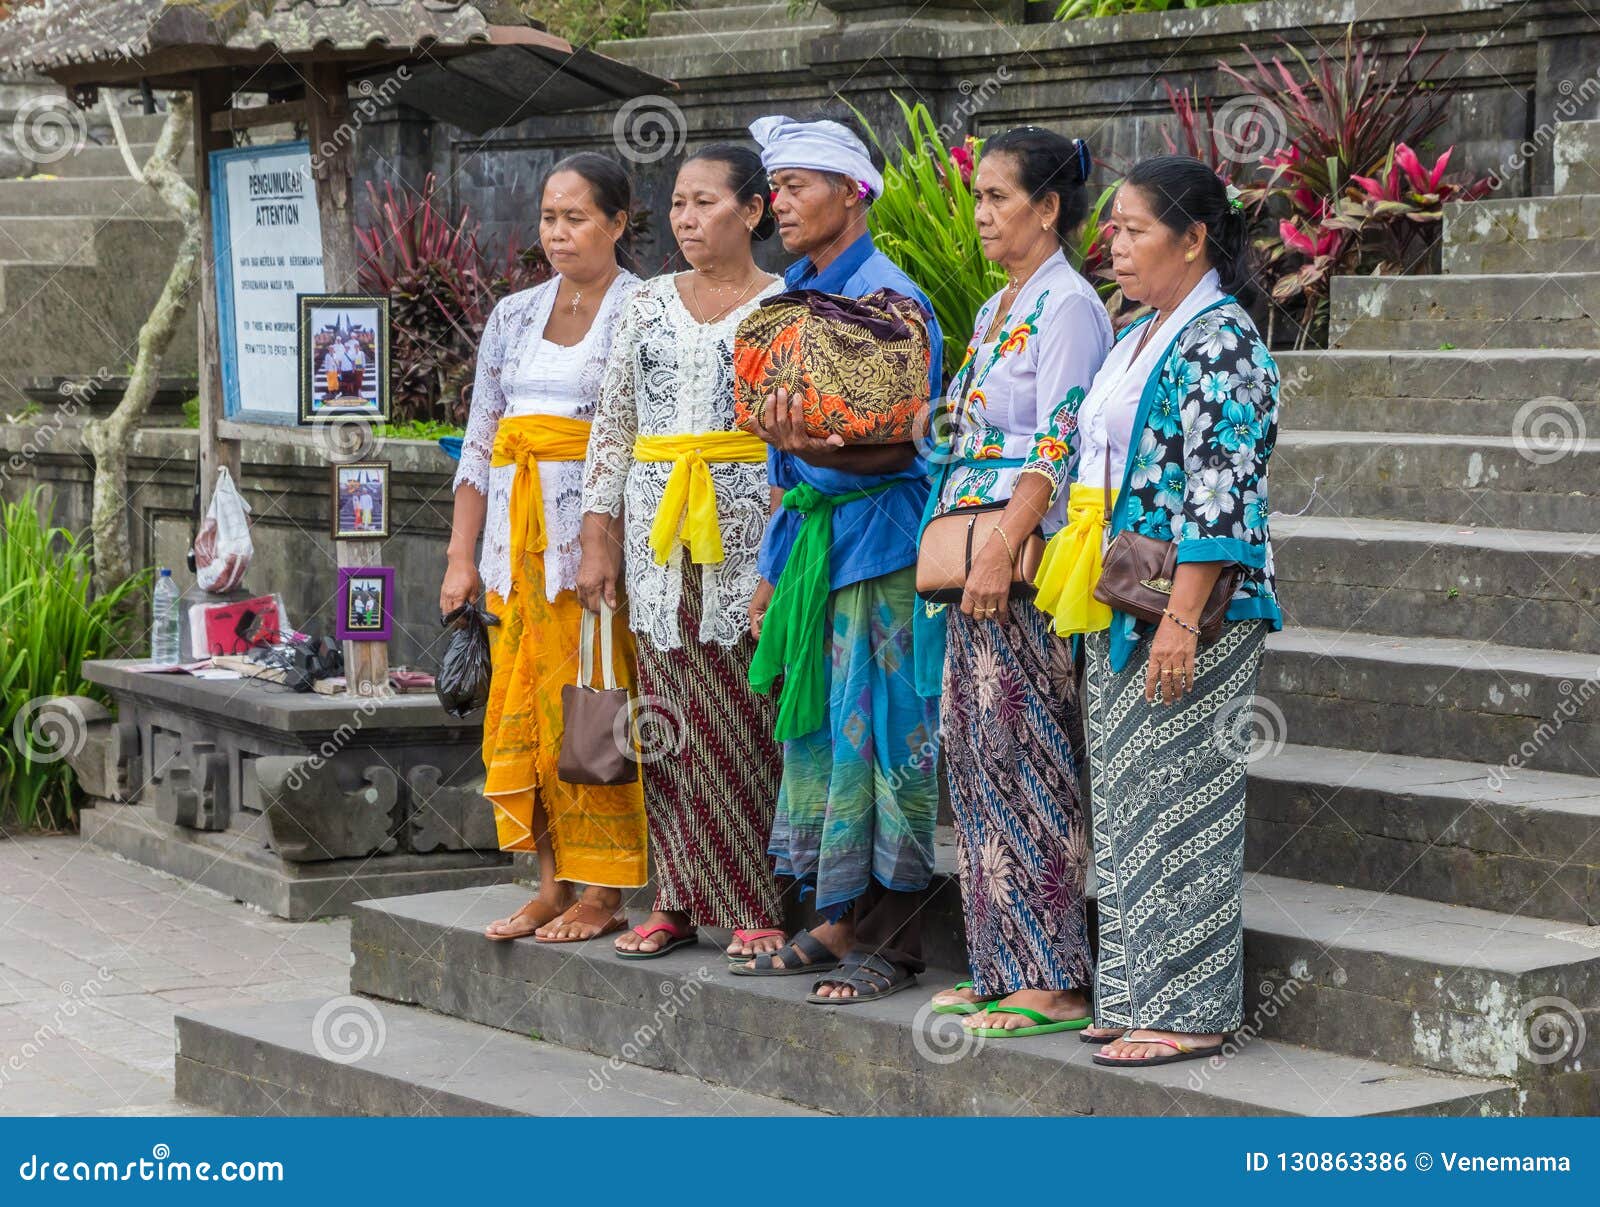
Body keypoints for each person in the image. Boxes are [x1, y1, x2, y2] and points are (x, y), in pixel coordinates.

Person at [1031, 154, 1281, 1066]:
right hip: (1121, 591)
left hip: (1196, 604)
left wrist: (1181, 617)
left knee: (1184, 798)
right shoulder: (1141, 329)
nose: (1116, 246)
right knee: (1131, 798)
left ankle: (1193, 1006)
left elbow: (1224, 496)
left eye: (1135, 229)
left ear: (1194, 237)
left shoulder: (1221, 340)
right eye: (1114, 228)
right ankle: (1135, 988)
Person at [731, 110, 943, 1004]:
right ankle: (834, 912)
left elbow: (914, 440)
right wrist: (772, 567)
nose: (780, 203)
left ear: (853, 193)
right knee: (821, 732)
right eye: (775, 187)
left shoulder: (890, 304)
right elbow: (786, 460)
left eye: (797, 186)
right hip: (813, 536)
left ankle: (895, 937)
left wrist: (815, 441)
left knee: (887, 730)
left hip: (883, 540)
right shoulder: (790, 299)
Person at [915, 129, 1113, 1037]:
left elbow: (1062, 436)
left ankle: (1058, 976)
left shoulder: (1068, 305)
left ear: (1048, 209)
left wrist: (1002, 545)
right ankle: (1003, 965)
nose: (984, 214)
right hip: (970, 553)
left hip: (1020, 561)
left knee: (1032, 751)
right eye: (980, 197)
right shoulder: (1002, 305)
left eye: (1000, 198)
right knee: (980, 754)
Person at [578, 144, 790, 961]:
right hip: (655, 538)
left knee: (745, 714)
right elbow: (614, 423)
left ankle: (753, 900)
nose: (688, 219)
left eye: (705, 202)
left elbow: (792, 441)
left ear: (754, 211)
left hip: (743, 534)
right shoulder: (646, 304)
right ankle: (673, 895)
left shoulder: (784, 305)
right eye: (677, 205)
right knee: (664, 716)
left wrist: (781, 543)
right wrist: (596, 536)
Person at [440, 152, 650, 945]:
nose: (557, 234)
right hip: (512, 553)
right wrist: (462, 558)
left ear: (618, 223)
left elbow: (632, 440)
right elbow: (479, 443)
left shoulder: (641, 311)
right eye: (548, 218)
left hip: (593, 552)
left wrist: (607, 544)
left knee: (592, 714)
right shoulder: (513, 314)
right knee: (523, 710)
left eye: (576, 218)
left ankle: (602, 890)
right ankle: (550, 882)